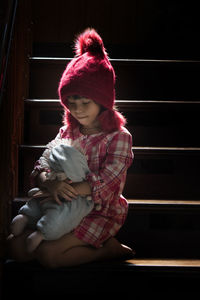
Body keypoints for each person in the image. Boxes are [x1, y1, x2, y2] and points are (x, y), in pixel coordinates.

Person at [7, 28, 135, 268]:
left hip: (98, 210)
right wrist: (48, 181)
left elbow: (109, 183)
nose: (78, 109)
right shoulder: (69, 132)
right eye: (71, 103)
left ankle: (106, 249)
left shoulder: (118, 137)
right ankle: (60, 237)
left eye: (85, 102)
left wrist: (71, 189)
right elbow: (42, 163)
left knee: (49, 255)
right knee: (14, 246)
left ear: (103, 103)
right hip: (62, 205)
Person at [10, 139, 94, 253]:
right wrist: (50, 183)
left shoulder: (117, 137)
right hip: (53, 184)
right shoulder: (65, 134)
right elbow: (40, 167)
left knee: (47, 251)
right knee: (12, 245)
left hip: (85, 202)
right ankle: (26, 216)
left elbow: (105, 185)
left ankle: (42, 233)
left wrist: (63, 190)